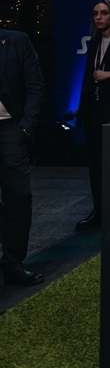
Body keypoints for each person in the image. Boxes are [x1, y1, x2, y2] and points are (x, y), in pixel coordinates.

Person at [0, 29, 45, 285]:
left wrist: (25, 129)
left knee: (19, 195)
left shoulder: (17, 41)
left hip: (10, 128)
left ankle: (12, 263)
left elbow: (35, 87)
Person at [74, 0, 110, 231]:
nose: (99, 17)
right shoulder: (94, 43)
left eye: (103, 13)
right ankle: (97, 212)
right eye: (95, 13)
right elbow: (87, 79)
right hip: (93, 111)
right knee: (94, 165)